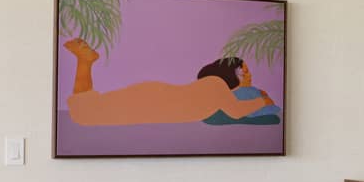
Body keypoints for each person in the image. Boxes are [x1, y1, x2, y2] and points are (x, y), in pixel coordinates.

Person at [63, 38, 280, 126]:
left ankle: (86, 61)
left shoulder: (213, 86)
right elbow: (236, 111)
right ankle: (85, 61)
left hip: (153, 96)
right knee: (87, 114)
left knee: (90, 110)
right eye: (244, 72)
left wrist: (249, 91)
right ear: (230, 73)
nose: (249, 76)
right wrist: (263, 100)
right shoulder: (216, 85)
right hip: (154, 101)